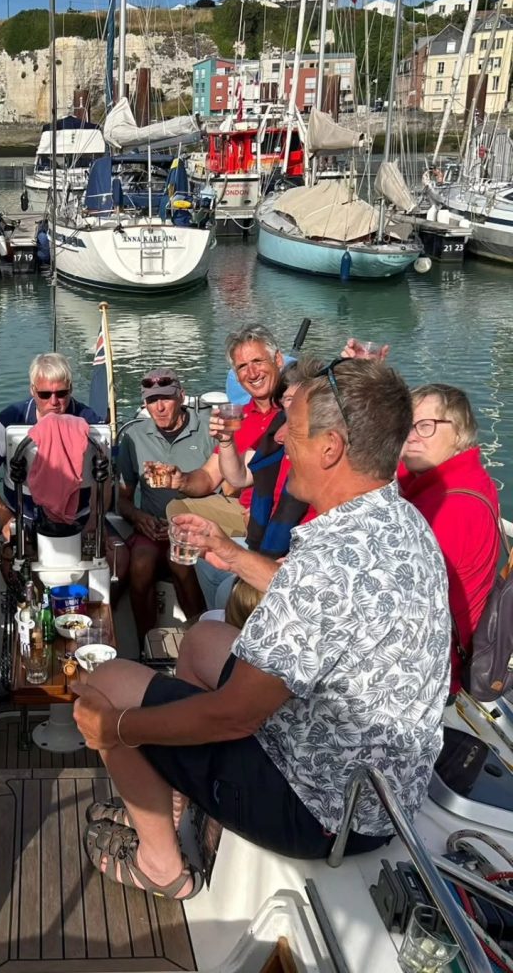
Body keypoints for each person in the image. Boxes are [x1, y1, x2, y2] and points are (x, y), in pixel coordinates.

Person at [72, 358, 450, 900]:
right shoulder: (400, 521)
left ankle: (161, 867)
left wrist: (119, 728)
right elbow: (324, 605)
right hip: (380, 794)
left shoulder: (327, 561)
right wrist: (229, 553)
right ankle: (173, 800)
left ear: (330, 448)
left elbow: (235, 716)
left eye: (292, 429)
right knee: (202, 640)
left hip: (313, 809)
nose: (279, 439)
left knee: (106, 683)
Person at [399, 383, 501, 696]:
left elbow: (405, 605)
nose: (412, 435)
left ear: (459, 433)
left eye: (426, 426)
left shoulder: (451, 509)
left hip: (425, 673)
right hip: (441, 654)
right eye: (407, 425)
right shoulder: (464, 477)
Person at [193, 362, 313, 611]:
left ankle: (225, 625)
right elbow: (239, 477)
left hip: (295, 554)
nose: (290, 407)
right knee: (204, 560)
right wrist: (226, 441)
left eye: (297, 400)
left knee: (230, 592)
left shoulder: (320, 453)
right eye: (287, 399)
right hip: (265, 539)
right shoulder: (275, 439)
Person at [115, 367, 214, 637]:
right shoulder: (133, 437)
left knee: (181, 561)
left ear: (181, 396)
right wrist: (139, 518)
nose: (158, 408)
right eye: (151, 401)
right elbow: (123, 499)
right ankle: (146, 643)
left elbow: (224, 488)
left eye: (166, 399)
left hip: (195, 526)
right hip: (153, 528)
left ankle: (200, 635)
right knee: (140, 562)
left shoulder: (207, 429)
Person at [164, 324, 285, 540]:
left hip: (285, 513)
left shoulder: (296, 408)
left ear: (278, 360)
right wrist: (182, 480)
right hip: (245, 511)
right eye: (243, 366)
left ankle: (234, 550)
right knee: (178, 509)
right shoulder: (239, 417)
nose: (252, 373)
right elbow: (209, 477)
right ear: (236, 376)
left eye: (258, 361)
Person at [0, 352, 102, 539]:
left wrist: (95, 519)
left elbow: (105, 478)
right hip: (22, 518)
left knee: (117, 554)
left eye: (61, 393)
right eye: (44, 394)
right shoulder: (7, 421)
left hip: (79, 520)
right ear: (33, 390)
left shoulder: (91, 422)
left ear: (71, 389)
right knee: (12, 558)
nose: (54, 402)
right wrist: (5, 518)